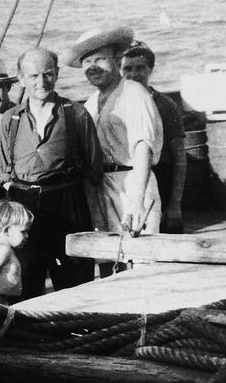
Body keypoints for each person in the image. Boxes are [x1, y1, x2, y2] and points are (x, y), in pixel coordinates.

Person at [0, 48, 103, 298]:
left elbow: (94, 167)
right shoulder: (10, 120)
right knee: (27, 279)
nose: (41, 82)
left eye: (48, 74)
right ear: (21, 79)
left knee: (75, 278)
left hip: (68, 201)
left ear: (56, 75)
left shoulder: (76, 113)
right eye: (33, 76)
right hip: (25, 206)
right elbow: (4, 173)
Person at [61, 27, 163, 241]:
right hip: (103, 185)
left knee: (140, 257)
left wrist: (137, 199)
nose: (93, 67)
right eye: (87, 62)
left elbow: (143, 147)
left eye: (100, 59)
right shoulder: (90, 103)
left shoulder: (134, 93)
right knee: (108, 255)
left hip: (134, 181)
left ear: (117, 60)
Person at [121, 42, 186, 233]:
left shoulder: (166, 105)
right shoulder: (116, 103)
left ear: (151, 70)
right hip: (128, 179)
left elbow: (180, 159)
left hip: (160, 176)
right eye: (127, 69)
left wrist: (175, 205)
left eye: (140, 68)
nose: (133, 74)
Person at [0, 201, 34, 305]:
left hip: (10, 300)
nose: (27, 236)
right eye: (23, 231)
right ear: (7, 230)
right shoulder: (3, 250)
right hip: (1, 300)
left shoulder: (6, 249)